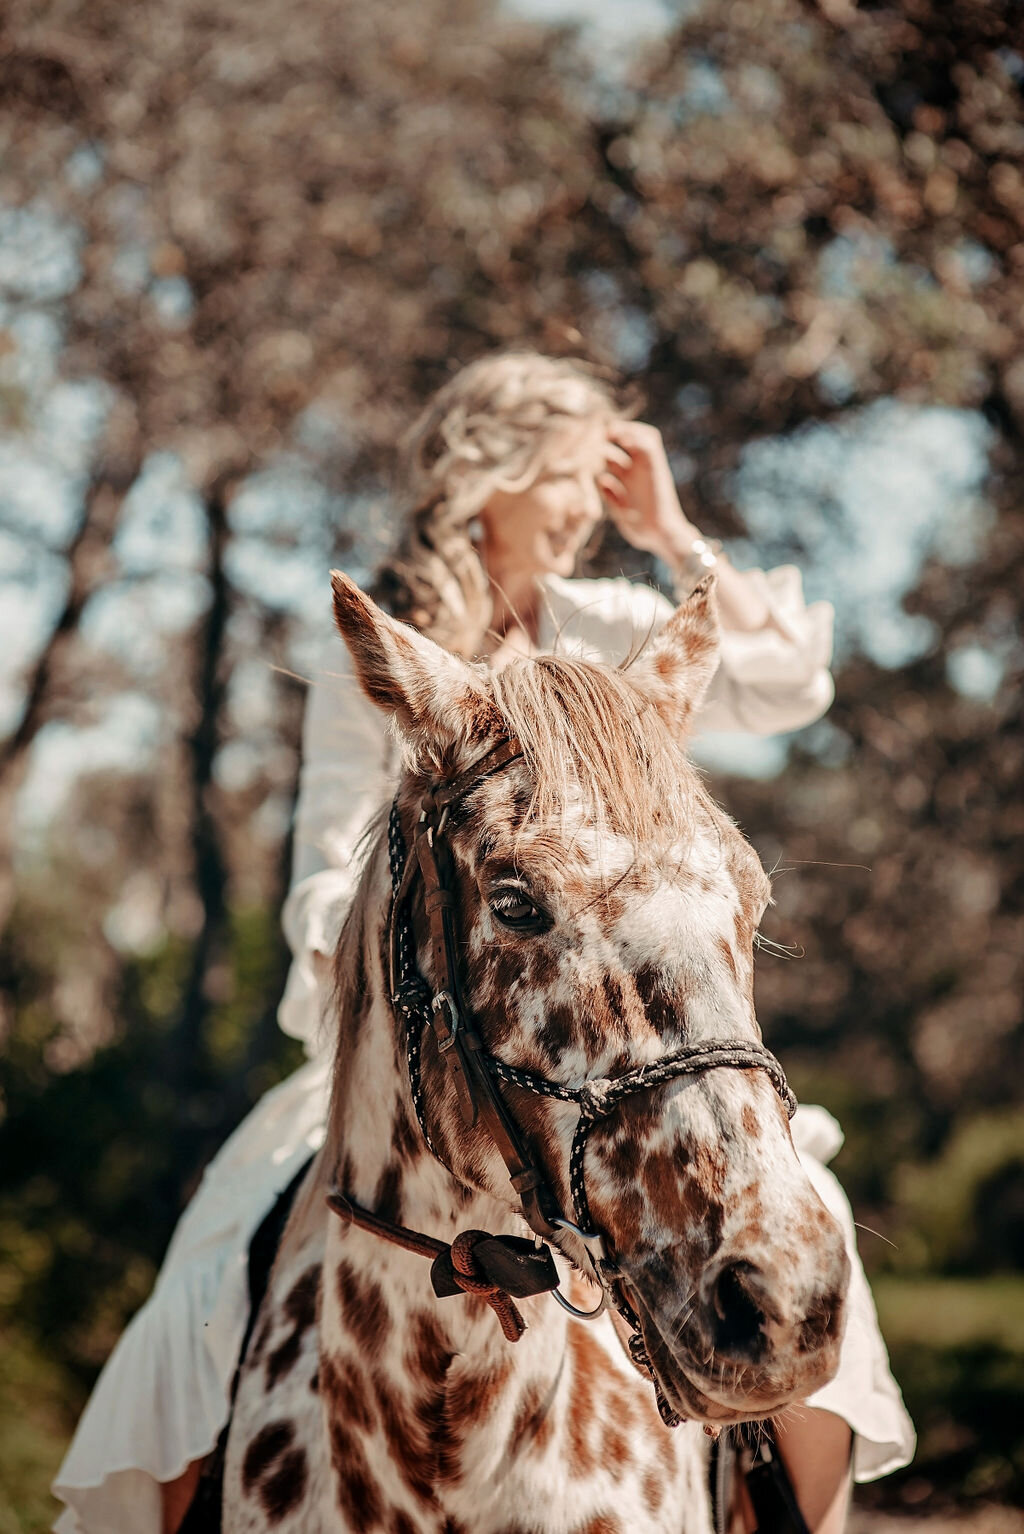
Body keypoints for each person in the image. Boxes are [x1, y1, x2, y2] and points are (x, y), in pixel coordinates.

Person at [53, 352, 914, 1534]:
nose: (582, 503)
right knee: (205, 1280)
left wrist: (670, 531)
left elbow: (787, 680)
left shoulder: (608, 624)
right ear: (491, 473)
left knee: (813, 1236)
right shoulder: (388, 643)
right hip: (402, 1039)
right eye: (570, 472)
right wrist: (369, 977)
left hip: (610, 1035)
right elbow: (322, 866)